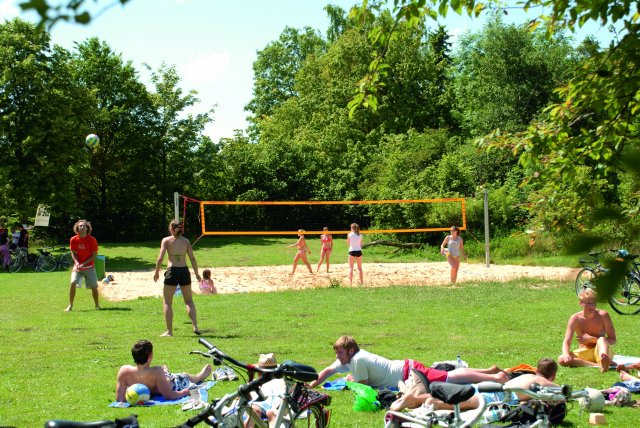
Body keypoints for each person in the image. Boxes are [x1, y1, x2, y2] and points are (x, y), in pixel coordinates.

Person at [308, 336, 508, 390]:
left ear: (350, 351)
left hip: (408, 373)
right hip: (406, 368)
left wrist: (350, 380)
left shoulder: (358, 360)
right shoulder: (350, 358)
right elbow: (327, 371)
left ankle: (495, 377)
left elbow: (364, 386)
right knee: (444, 375)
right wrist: (311, 384)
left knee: (449, 377)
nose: (338, 357)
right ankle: (489, 370)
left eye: (340, 353)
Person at [416, 358, 559, 412]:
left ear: (537, 369)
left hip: (490, 384)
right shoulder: (542, 382)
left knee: (459, 392)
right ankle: (437, 405)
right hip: (500, 393)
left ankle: (417, 398)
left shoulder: (528, 376)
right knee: (473, 402)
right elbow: (563, 393)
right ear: (552, 376)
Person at [115, 339, 212, 402]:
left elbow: (119, 399)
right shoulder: (157, 371)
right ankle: (199, 376)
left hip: (162, 380)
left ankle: (167, 372)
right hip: (171, 383)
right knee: (184, 376)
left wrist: (133, 397)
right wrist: (185, 392)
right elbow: (169, 396)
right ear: (150, 356)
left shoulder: (124, 371)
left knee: (167, 376)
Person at [154, 219, 202, 336]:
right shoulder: (186, 241)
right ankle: (195, 326)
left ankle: (169, 331)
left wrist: (156, 272)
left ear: (171, 229)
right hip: (184, 271)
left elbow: (160, 258)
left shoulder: (166, 240)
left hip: (172, 271)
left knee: (167, 302)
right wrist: (196, 274)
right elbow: (192, 259)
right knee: (189, 301)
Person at [558, 288, 616, 372]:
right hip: (585, 352)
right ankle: (598, 365)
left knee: (602, 339)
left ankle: (603, 361)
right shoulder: (575, 318)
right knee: (561, 359)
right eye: (588, 303)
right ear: (581, 303)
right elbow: (566, 342)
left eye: (593, 303)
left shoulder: (603, 315)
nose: (592, 306)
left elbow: (613, 340)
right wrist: (566, 354)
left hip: (601, 351)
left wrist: (591, 339)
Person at [66, 219, 100, 311]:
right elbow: (73, 253)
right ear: (77, 228)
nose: (82, 227)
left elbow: (94, 255)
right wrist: (77, 263)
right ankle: (70, 306)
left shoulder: (92, 240)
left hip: (89, 267)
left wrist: (83, 264)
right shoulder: (73, 239)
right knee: (73, 282)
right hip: (78, 267)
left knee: (94, 287)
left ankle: (97, 305)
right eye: (80, 226)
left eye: (84, 226)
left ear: (87, 228)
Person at [245, 353, 286, 428]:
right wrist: (250, 380)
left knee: (272, 413)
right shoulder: (255, 382)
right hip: (262, 401)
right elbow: (248, 396)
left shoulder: (281, 379)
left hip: (278, 400)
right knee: (254, 410)